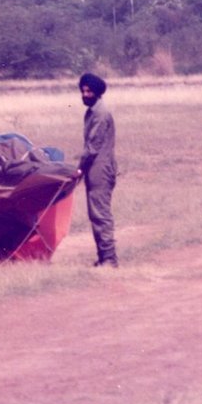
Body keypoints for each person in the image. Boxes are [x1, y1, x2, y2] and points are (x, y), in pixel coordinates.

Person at [71, 73, 118, 268]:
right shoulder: (92, 111)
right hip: (95, 168)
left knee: (100, 214)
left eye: (89, 91)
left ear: (97, 92)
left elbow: (93, 146)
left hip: (100, 168)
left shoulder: (100, 113)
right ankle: (103, 257)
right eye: (83, 90)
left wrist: (79, 169)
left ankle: (109, 258)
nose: (85, 94)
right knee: (95, 214)